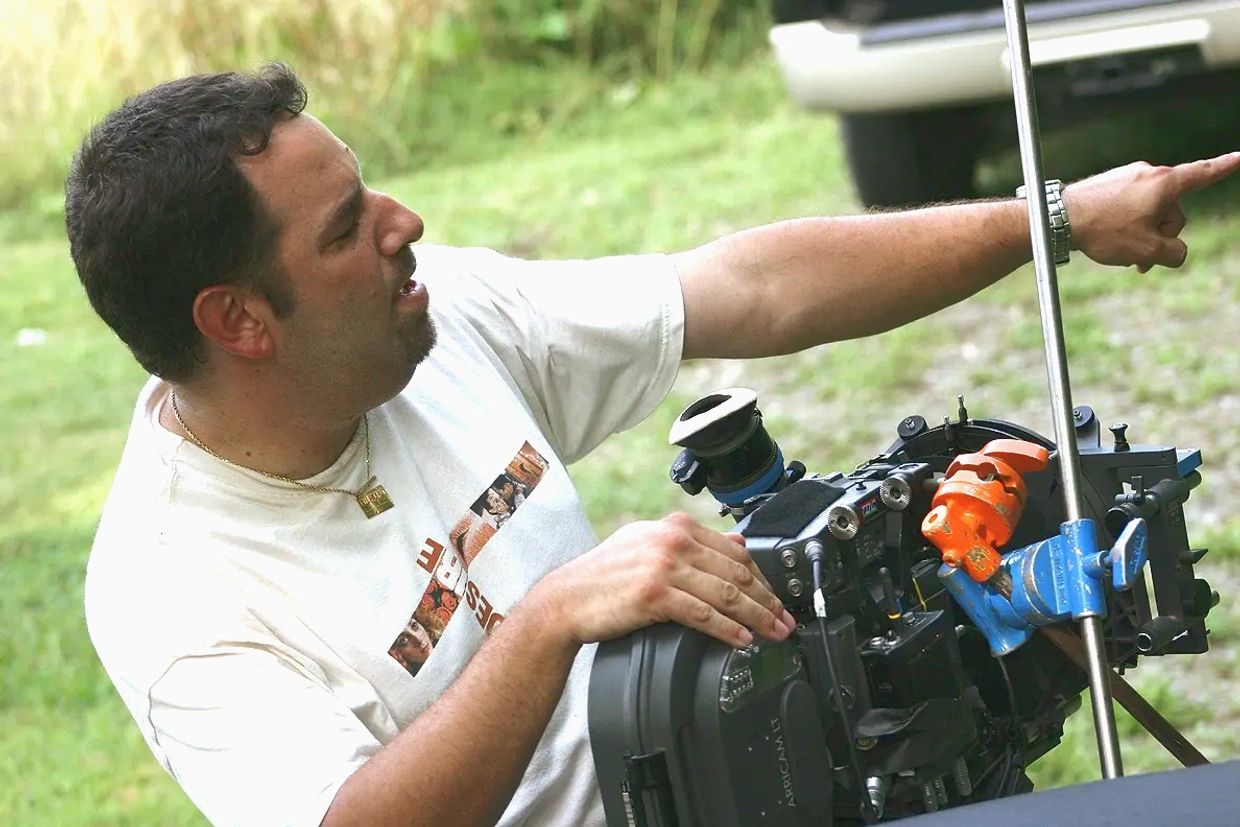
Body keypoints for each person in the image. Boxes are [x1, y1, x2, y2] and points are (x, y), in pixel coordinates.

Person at [66, 62, 1238, 827]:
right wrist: (550, 619)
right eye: (344, 230)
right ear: (238, 321)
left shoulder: (433, 312)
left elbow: (748, 287)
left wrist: (1053, 217)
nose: (403, 226)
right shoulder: (174, 590)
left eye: (371, 193)